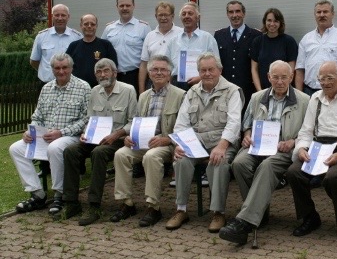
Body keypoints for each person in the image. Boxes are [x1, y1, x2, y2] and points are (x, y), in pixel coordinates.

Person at [219, 61, 309, 244]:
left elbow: (309, 131)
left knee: (267, 165)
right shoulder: (257, 97)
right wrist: (246, 136)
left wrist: (293, 142)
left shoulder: (304, 100)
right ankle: (258, 212)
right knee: (239, 163)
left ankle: (245, 221)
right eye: (275, 77)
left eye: (284, 77)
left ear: (291, 78)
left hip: (284, 149)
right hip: (257, 146)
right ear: (268, 78)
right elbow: (246, 125)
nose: (280, 81)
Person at [285, 61, 337, 241]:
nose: (326, 83)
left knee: (333, 177)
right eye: (322, 79)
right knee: (293, 172)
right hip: (318, 148)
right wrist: (302, 149)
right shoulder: (315, 98)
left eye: (330, 78)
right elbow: (306, 131)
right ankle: (310, 217)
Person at [165, 52, 243, 233]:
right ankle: (181, 209)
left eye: (211, 69)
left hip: (222, 139)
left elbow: (234, 123)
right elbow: (181, 123)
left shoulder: (232, 91)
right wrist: (180, 144)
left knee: (219, 162)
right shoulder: (192, 92)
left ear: (220, 70)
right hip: (196, 140)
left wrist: (222, 146)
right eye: (203, 70)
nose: (207, 73)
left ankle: (218, 212)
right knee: (182, 159)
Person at [55, 58, 137, 225]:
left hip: (118, 139)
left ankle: (94, 205)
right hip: (95, 138)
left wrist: (117, 133)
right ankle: (71, 202)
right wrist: (85, 133)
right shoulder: (94, 91)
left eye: (106, 70)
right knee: (70, 150)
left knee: (98, 153)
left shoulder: (128, 90)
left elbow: (133, 121)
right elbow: (89, 119)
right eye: (99, 72)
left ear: (115, 73)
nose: (102, 74)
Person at [9, 53, 90, 213]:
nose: (61, 72)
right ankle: (37, 194)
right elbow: (37, 116)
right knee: (16, 148)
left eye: (65, 67)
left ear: (71, 68)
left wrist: (61, 132)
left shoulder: (83, 87)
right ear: (52, 69)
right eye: (57, 68)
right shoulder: (46, 88)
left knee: (55, 148)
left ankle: (59, 195)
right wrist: (30, 130)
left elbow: (86, 119)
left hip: (70, 137)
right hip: (44, 136)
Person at [112, 55, 185, 227]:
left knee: (151, 157)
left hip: (167, 144)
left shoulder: (181, 95)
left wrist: (166, 139)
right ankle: (126, 203)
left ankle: (153, 207)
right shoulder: (144, 96)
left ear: (170, 74)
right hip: (143, 142)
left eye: (163, 70)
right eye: (154, 69)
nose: (159, 73)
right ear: (149, 73)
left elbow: (185, 127)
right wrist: (129, 137)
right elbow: (136, 121)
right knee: (121, 154)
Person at [295, 0, 337, 96]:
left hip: (334, 91)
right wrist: (299, 95)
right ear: (315, 15)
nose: (322, 15)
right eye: (318, 12)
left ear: (333, 14)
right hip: (309, 91)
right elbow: (300, 69)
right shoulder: (306, 39)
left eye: (325, 11)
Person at [101, 0, 150, 95]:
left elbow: (149, 55)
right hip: (114, 77)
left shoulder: (143, 27)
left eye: (128, 5)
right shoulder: (109, 28)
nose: (125, 8)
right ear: (117, 7)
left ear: (133, 6)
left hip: (135, 76)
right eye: (121, 5)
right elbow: (102, 52)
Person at [214, 0, 260, 109]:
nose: (235, 15)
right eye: (231, 12)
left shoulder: (256, 35)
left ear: (243, 13)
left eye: (238, 11)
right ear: (227, 14)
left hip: (248, 90)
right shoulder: (219, 35)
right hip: (225, 89)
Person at [166, 1, 219, 91]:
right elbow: (167, 65)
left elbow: (217, 65)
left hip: (202, 83)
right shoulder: (173, 40)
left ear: (198, 17)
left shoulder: (208, 38)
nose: (186, 16)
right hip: (176, 85)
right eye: (184, 14)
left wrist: (201, 78)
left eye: (190, 13)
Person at [30, 4, 82, 83]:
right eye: (57, 15)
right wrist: (46, 72)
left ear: (68, 17)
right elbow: (34, 61)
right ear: (52, 17)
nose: (60, 18)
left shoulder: (77, 37)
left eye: (63, 15)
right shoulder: (41, 36)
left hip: (71, 84)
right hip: (46, 84)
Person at [138, 1, 182, 94]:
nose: (163, 18)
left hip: (175, 82)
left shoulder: (181, 34)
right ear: (155, 16)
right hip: (154, 81)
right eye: (160, 15)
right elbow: (144, 64)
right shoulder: (150, 36)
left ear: (172, 16)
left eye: (166, 15)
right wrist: (142, 91)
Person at [250, 8, 298, 91]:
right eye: (269, 20)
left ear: (280, 23)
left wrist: (283, 89)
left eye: (276, 21)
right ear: (265, 22)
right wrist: (259, 91)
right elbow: (254, 69)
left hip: (283, 90)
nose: (272, 24)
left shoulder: (289, 41)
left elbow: (291, 70)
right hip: (263, 90)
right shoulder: (257, 41)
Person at [66, 14, 118, 88]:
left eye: (92, 24)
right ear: (81, 26)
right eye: (86, 24)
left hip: (101, 88)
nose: (89, 26)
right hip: (78, 89)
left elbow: (114, 67)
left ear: (96, 26)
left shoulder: (106, 45)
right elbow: (66, 67)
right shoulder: (73, 46)